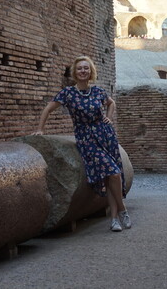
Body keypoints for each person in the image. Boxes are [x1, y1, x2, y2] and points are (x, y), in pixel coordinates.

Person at [34, 55, 131, 232]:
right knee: (114, 174)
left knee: (111, 179)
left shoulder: (98, 92)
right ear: (75, 72)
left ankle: (115, 219)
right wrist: (40, 129)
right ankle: (123, 209)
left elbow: (111, 103)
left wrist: (108, 118)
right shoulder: (68, 93)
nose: (83, 71)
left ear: (91, 71)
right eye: (80, 68)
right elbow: (48, 108)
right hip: (86, 139)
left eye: (86, 68)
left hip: (106, 135)